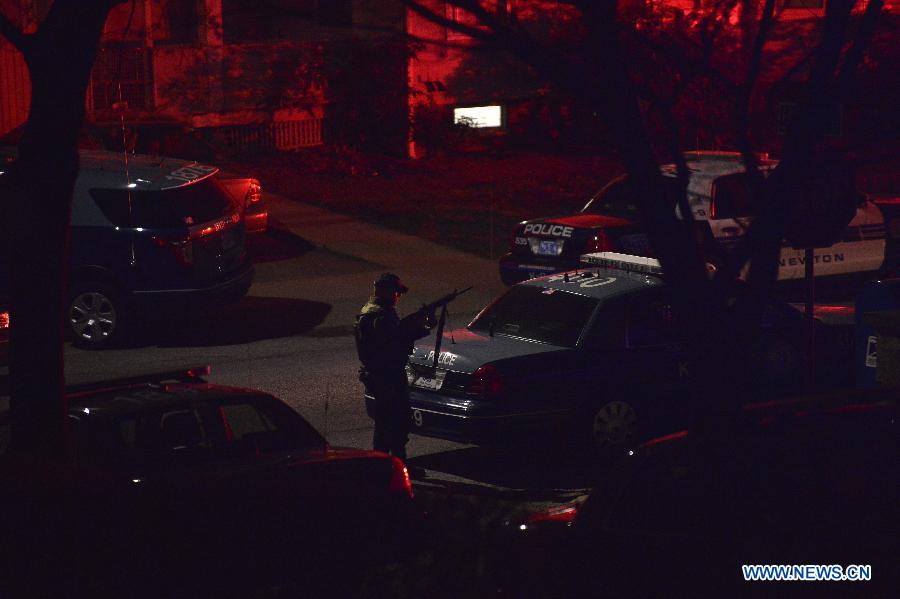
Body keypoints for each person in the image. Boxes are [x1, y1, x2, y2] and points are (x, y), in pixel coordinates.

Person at [354, 273, 433, 462]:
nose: (398, 296)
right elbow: (396, 341)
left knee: (390, 422)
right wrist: (422, 326)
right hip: (387, 376)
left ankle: (393, 463)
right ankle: (391, 465)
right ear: (385, 291)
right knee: (393, 422)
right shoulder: (380, 315)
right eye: (396, 292)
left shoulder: (374, 311)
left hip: (383, 375)